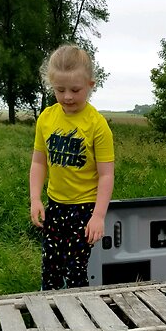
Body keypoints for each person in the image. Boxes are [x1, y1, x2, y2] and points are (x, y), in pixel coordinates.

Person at [29, 44, 115, 290]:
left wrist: (98, 216)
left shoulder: (97, 125)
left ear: (90, 84)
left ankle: (80, 322)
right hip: (55, 206)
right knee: (51, 267)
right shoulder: (46, 118)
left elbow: (106, 174)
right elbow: (38, 162)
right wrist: (36, 199)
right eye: (60, 89)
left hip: (84, 210)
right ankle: (50, 319)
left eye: (75, 90)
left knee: (75, 269)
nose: (67, 96)